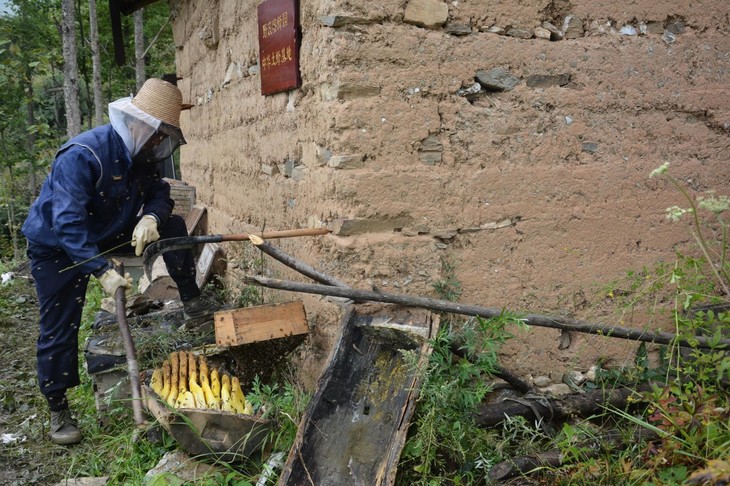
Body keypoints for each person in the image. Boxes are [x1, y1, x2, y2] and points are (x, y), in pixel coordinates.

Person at [21, 78, 216, 445]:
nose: (161, 143)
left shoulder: (144, 154)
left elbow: (161, 191)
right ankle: (58, 406)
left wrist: (152, 217)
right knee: (60, 322)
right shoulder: (84, 154)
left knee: (174, 224)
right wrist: (100, 271)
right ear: (140, 122)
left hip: (105, 228)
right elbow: (67, 223)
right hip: (58, 246)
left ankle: (195, 306)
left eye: (166, 137)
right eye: (159, 134)